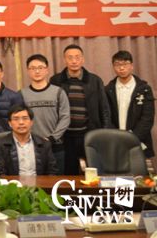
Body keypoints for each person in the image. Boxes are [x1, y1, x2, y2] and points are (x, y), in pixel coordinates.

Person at [49, 44, 111, 175]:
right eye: (70, 58)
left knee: (93, 172)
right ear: (64, 60)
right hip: (65, 136)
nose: (74, 61)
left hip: (89, 133)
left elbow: (104, 109)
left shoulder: (95, 80)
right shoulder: (56, 80)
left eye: (77, 57)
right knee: (68, 172)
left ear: (83, 59)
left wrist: (104, 133)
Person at [19, 54, 70, 174]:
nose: (37, 71)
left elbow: (65, 118)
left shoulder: (58, 92)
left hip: (55, 146)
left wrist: (51, 138)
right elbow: (19, 120)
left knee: (56, 182)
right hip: (30, 146)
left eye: (40, 67)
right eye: (33, 68)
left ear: (47, 70)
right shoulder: (21, 94)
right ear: (28, 71)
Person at [105, 50, 155, 157]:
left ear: (132, 66)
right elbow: (106, 117)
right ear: (113, 67)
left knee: (140, 168)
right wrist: (117, 137)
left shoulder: (144, 89)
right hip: (116, 142)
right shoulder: (108, 90)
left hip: (139, 142)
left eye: (125, 64)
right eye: (117, 64)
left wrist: (132, 138)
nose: (121, 68)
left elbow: (147, 118)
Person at [0, 104, 57, 176]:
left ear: (31, 122)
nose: (21, 122)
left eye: (25, 118)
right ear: (10, 123)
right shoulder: (0, 144)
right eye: (16, 119)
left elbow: (52, 172)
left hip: (39, 183)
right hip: (12, 183)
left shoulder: (44, 144)